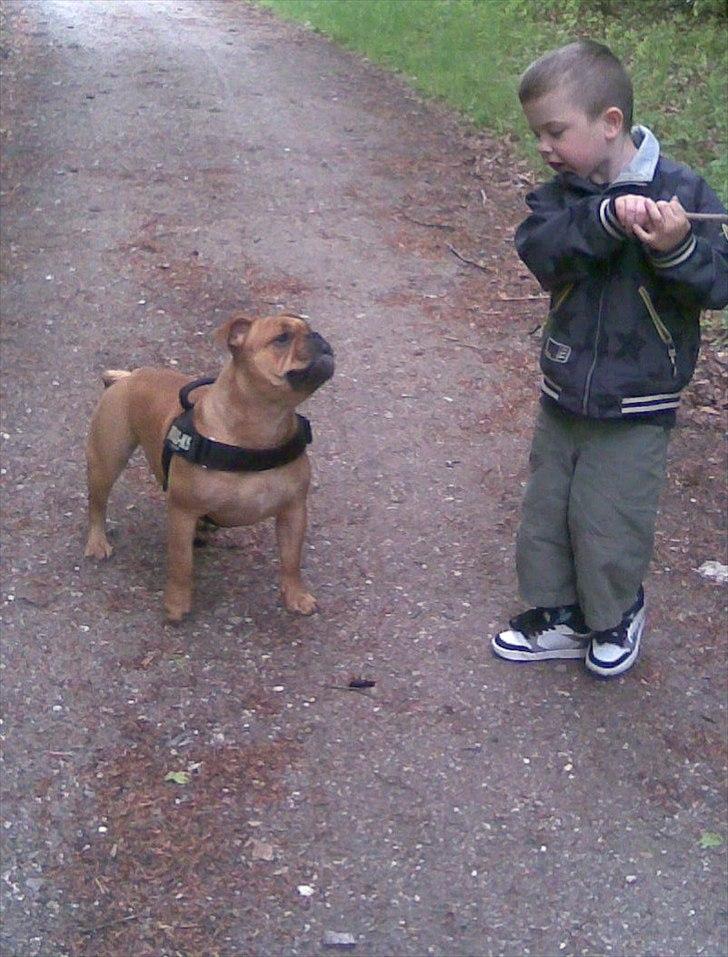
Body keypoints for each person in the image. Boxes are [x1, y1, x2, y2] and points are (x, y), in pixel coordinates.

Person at [492, 39, 728, 678]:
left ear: (610, 123)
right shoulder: (562, 196)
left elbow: (718, 284)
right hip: (564, 385)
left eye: (555, 131)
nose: (544, 146)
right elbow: (540, 251)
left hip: (639, 397)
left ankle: (617, 612)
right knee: (549, 509)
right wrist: (602, 218)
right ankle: (560, 616)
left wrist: (674, 247)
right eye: (537, 133)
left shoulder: (681, 189)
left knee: (608, 518)